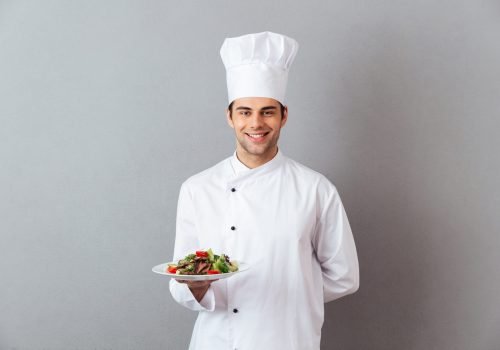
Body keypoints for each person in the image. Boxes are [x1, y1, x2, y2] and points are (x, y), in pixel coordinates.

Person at [169, 31, 359, 350]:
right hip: (217, 341)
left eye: (267, 111)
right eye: (245, 112)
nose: (256, 123)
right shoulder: (197, 189)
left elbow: (344, 277)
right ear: (230, 117)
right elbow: (179, 282)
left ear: (284, 116)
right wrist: (197, 289)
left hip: (287, 340)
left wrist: (287, 300)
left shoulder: (315, 189)